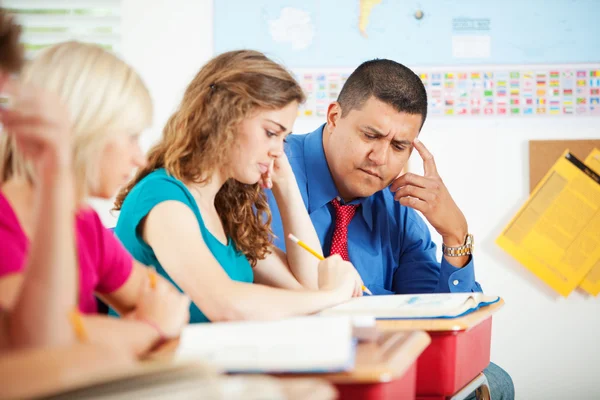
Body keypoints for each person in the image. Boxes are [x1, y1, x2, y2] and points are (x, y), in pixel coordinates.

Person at [266, 59, 515, 399]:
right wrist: (383, 303)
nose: (380, 158)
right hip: (291, 351)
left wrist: (455, 235)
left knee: (494, 381)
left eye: (399, 147)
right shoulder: (271, 167)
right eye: (370, 135)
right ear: (335, 117)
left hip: (377, 354)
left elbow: (441, 319)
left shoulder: (397, 201)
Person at [114, 50, 361, 324]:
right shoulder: (162, 199)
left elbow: (308, 288)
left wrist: (285, 185)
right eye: (270, 133)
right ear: (224, 117)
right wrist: (334, 293)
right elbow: (225, 304)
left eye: (284, 138)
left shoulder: (225, 211)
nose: (278, 151)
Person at [0, 41, 190, 357]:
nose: (140, 158)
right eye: (131, 136)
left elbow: (169, 304)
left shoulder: (83, 222)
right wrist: (146, 329)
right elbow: (40, 342)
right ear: (84, 130)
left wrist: (99, 336)